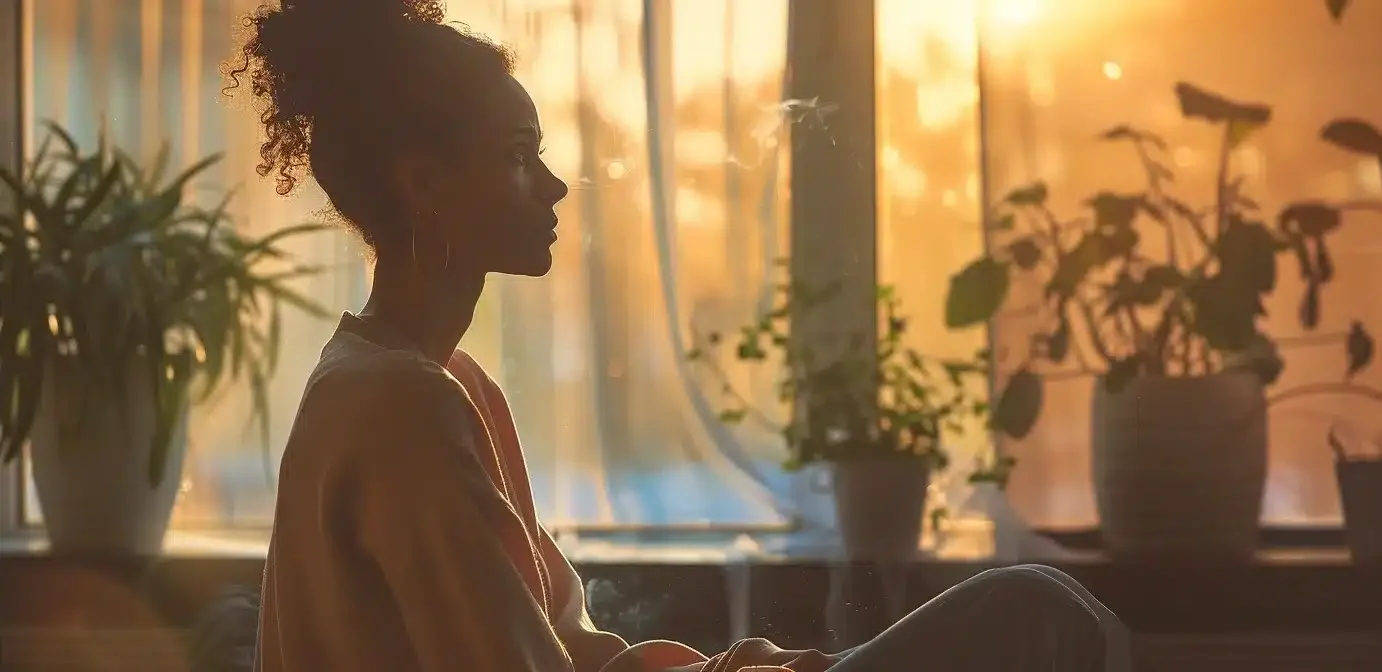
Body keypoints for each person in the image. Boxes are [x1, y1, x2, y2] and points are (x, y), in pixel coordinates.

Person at [231, 1, 1133, 670]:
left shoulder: (445, 382)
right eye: (515, 155)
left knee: (1037, 610)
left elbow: (572, 649)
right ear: (422, 183)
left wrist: (737, 669)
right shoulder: (395, 404)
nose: (551, 187)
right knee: (1034, 614)